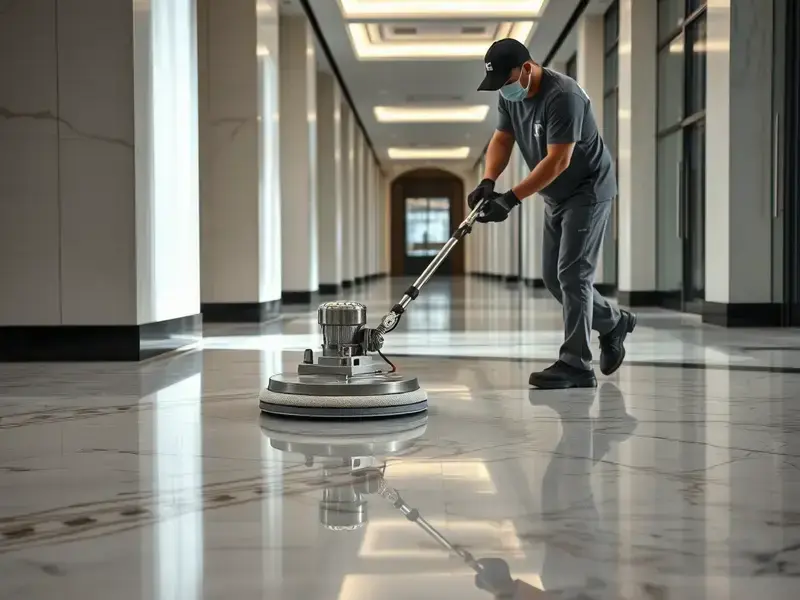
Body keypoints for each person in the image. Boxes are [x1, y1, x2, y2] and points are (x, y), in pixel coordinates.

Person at [469, 38, 636, 390]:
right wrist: (488, 180)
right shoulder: (509, 91)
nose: (504, 90)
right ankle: (612, 322)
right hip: (555, 195)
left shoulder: (565, 96)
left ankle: (576, 363)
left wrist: (511, 199)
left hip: (587, 190)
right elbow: (502, 138)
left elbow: (558, 160)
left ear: (526, 69)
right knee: (552, 276)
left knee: (573, 274)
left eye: (506, 80)